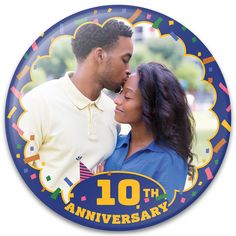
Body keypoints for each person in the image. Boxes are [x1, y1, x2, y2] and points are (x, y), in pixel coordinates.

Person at [18, 19, 133, 202]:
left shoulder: (114, 112)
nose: (129, 70)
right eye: (125, 60)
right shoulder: (37, 104)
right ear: (100, 55)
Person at [104, 62, 195, 201]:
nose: (117, 100)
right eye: (121, 92)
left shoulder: (170, 160)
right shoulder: (112, 143)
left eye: (127, 97)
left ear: (152, 107)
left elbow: (162, 216)